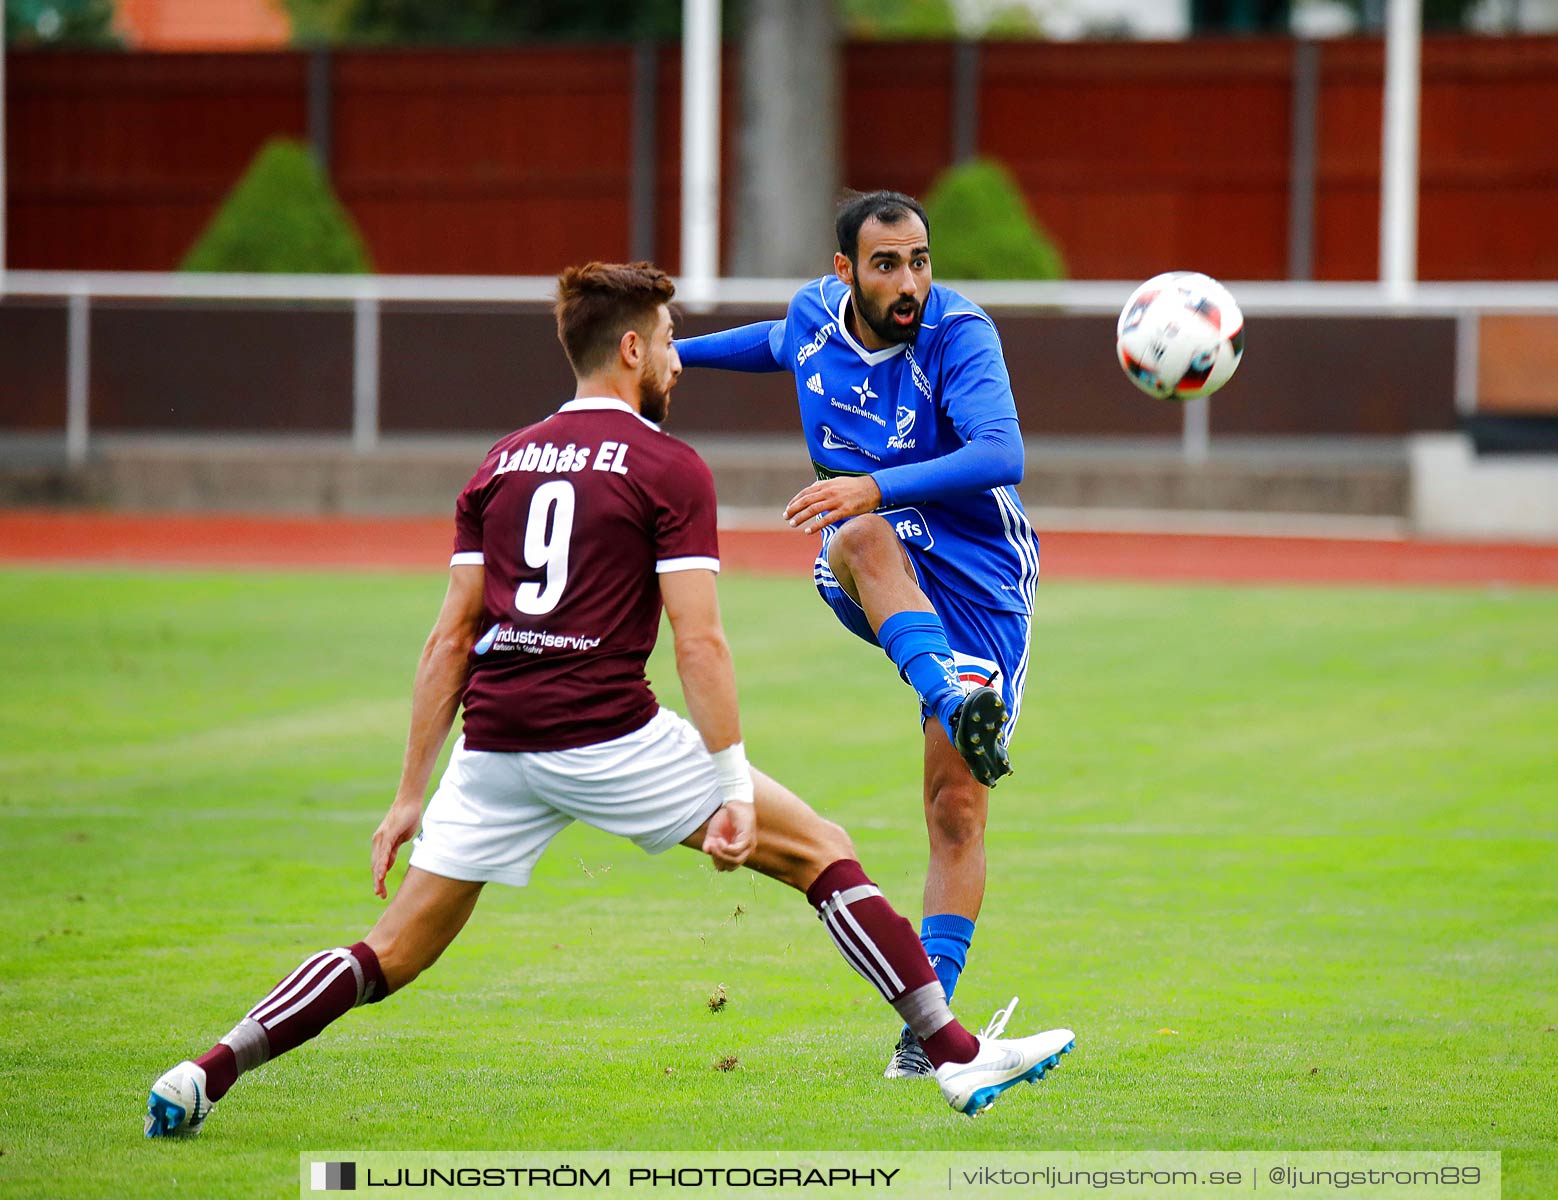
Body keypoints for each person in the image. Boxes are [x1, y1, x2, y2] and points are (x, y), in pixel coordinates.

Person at [143, 261, 1071, 1136]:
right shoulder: (670, 469)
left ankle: (205, 1072)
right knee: (824, 854)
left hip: (495, 742)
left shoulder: (500, 464)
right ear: (632, 350)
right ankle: (955, 1057)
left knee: (391, 952)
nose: (678, 356)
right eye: (668, 337)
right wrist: (733, 787)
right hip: (607, 735)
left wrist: (406, 795)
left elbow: (448, 640)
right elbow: (698, 641)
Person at [673, 190, 1038, 1079]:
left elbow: (1002, 455)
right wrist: (670, 357)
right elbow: (773, 344)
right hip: (868, 553)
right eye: (887, 264)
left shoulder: (960, 333)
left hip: (980, 578)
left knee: (956, 808)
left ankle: (926, 1030)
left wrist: (873, 483)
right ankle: (951, 691)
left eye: (919, 259)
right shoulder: (813, 317)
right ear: (845, 272)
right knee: (861, 540)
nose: (910, 280)